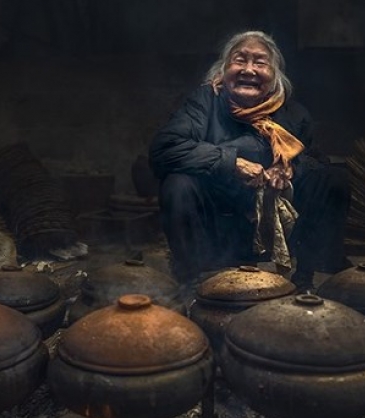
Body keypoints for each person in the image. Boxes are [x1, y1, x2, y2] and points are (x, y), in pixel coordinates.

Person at [149, 30, 350, 292]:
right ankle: (192, 281)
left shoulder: (293, 114)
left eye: (260, 62)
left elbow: (315, 161)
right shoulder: (204, 103)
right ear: (223, 70)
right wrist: (232, 163)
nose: (249, 69)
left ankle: (305, 280)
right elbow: (164, 148)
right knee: (177, 184)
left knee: (334, 180)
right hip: (219, 227)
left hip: (274, 231)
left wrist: (288, 169)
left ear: (275, 75)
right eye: (240, 60)